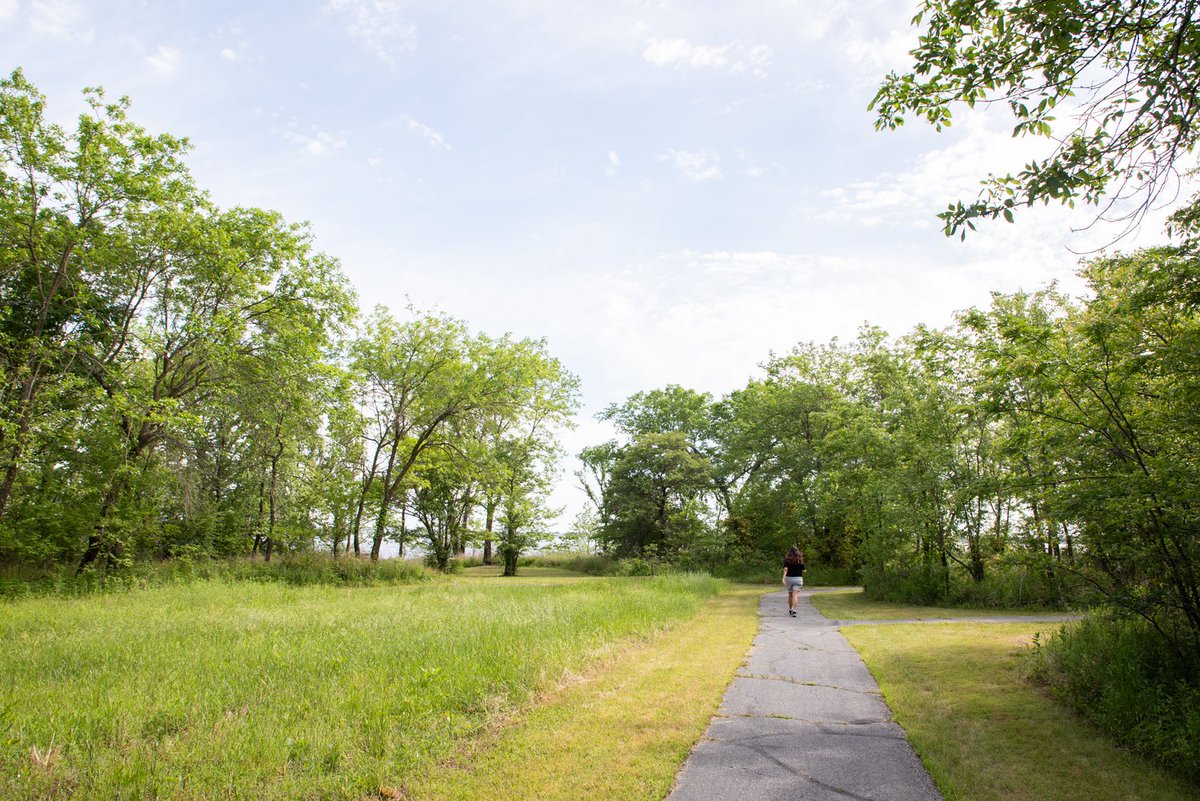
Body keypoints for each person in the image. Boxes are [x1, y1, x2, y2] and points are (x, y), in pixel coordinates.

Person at [782, 546, 806, 617]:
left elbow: (785, 570)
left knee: (790, 594)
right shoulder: (800, 560)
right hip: (798, 579)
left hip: (789, 579)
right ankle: (794, 610)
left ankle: (790, 609)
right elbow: (804, 571)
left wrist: (783, 578)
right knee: (795, 595)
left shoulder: (787, 560)